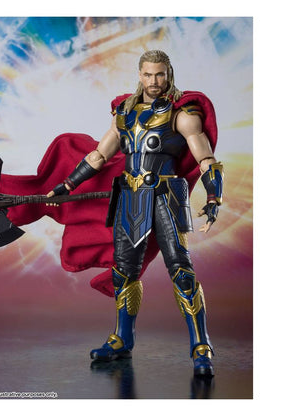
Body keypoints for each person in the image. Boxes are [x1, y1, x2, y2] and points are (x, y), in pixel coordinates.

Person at [47, 50, 224, 377]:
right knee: (123, 272)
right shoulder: (124, 113)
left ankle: (202, 346)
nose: (154, 81)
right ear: (140, 75)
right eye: (148, 75)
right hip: (130, 197)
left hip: (166, 196)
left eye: (160, 74)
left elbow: (206, 159)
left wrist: (214, 196)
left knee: (181, 271)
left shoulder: (182, 114)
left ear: (168, 73)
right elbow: (100, 155)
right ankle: (121, 339)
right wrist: (67, 185)